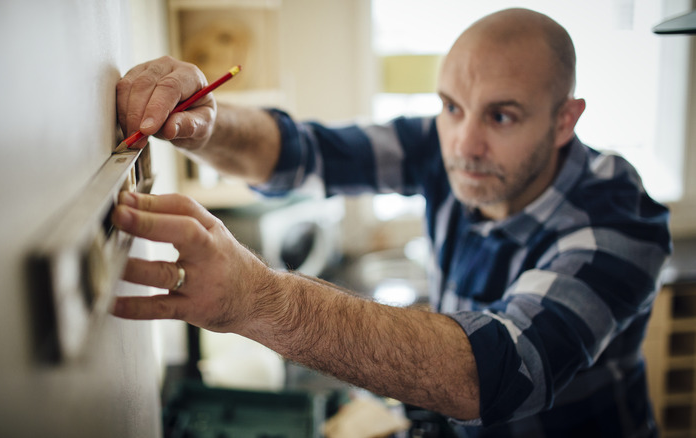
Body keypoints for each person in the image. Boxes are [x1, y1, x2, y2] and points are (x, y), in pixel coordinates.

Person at [112, 8, 671, 437]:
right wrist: (205, 122)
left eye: (502, 116)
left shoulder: (618, 220)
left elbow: (500, 371)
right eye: (451, 106)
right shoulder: (447, 140)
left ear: (563, 121)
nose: (464, 144)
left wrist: (259, 299)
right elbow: (301, 153)